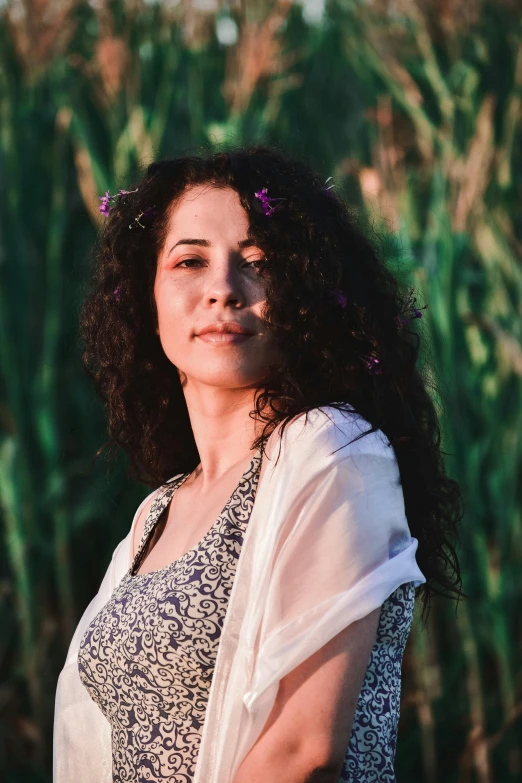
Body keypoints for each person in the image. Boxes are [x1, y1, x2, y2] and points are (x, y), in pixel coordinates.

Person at [53, 144, 463, 783]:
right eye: (190, 261)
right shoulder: (156, 513)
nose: (222, 289)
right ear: (147, 296)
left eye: (258, 263)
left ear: (303, 295)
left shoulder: (333, 453)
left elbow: (304, 754)